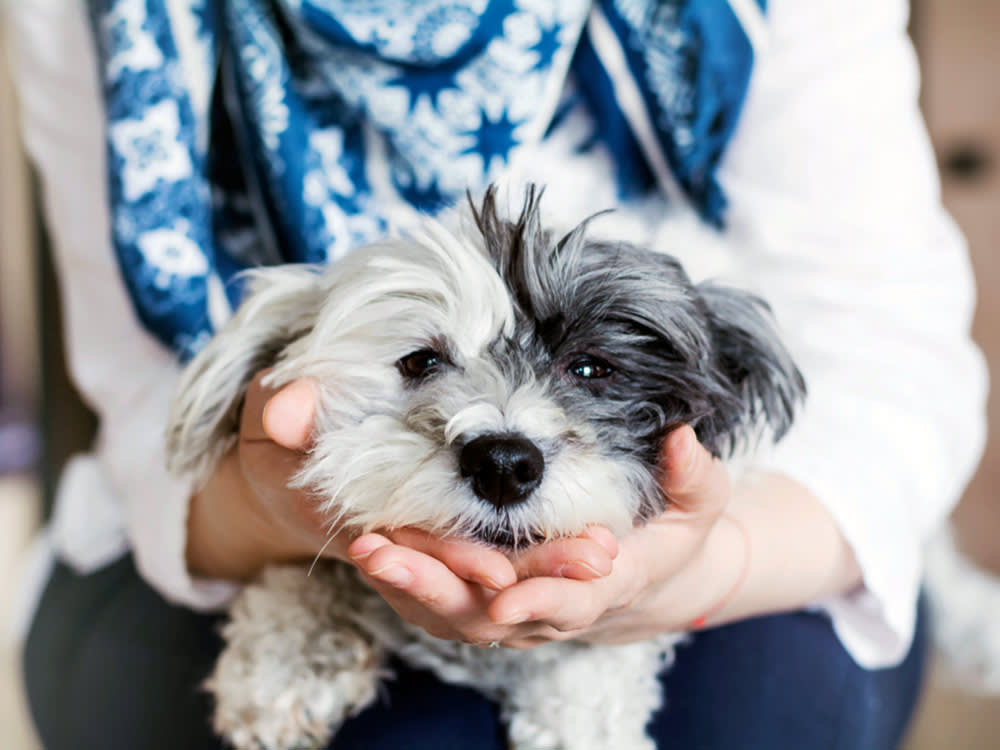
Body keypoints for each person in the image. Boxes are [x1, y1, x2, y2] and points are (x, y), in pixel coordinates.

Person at [7, 0, 986, 748]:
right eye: (425, 362)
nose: (500, 430)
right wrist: (278, 513)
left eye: (588, 368)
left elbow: (885, 354)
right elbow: (146, 403)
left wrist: (693, 570)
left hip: (735, 526)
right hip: (218, 534)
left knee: (758, 709)